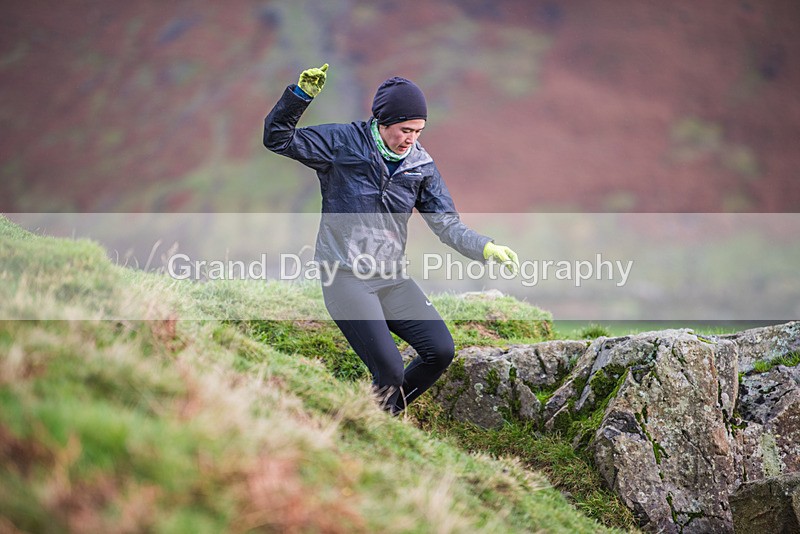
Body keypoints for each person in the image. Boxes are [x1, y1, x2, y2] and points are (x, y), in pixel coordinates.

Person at [263, 63, 519, 415]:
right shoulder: (343, 143)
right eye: (404, 130)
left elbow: (446, 224)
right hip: (344, 276)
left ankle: (378, 417)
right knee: (390, 371)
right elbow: (278, 138)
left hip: (390, 278)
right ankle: (377, 427)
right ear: (382, 123)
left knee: (440, 350)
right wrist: (300, 96)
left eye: (418, 131)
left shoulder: (421, 166)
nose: (411, 139)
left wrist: (486, 247)